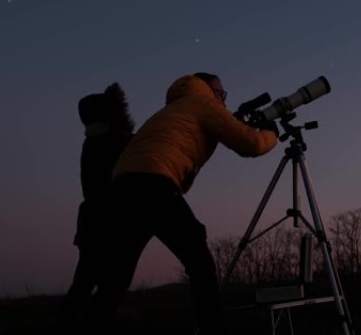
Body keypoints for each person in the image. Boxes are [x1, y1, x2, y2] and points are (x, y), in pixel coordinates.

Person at [84, 72, 279, 334]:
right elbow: (251, 144)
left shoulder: (169, 111)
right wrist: (271, 133)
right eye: (220, 93)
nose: (223, 99)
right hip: (154, 184)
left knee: (115, 279)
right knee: (200, 264)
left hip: (121, 187)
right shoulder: (203, 104)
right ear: (207, 91)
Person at [57, 82, 135, 333]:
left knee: (93, 283)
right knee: (99, 285)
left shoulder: (97, 142)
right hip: (103, 225)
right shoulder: (108, 142)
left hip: (94, 225)